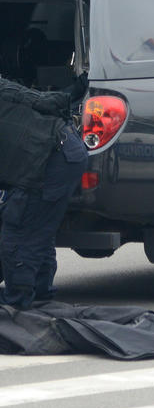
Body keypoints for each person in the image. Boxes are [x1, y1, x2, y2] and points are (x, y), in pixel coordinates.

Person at [0, 75, 86, 308]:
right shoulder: (6, 89)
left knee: (18, 232)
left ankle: (17, 308)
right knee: (38, 229)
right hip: (66, 149)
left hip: (50, 158)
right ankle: (41, 298)